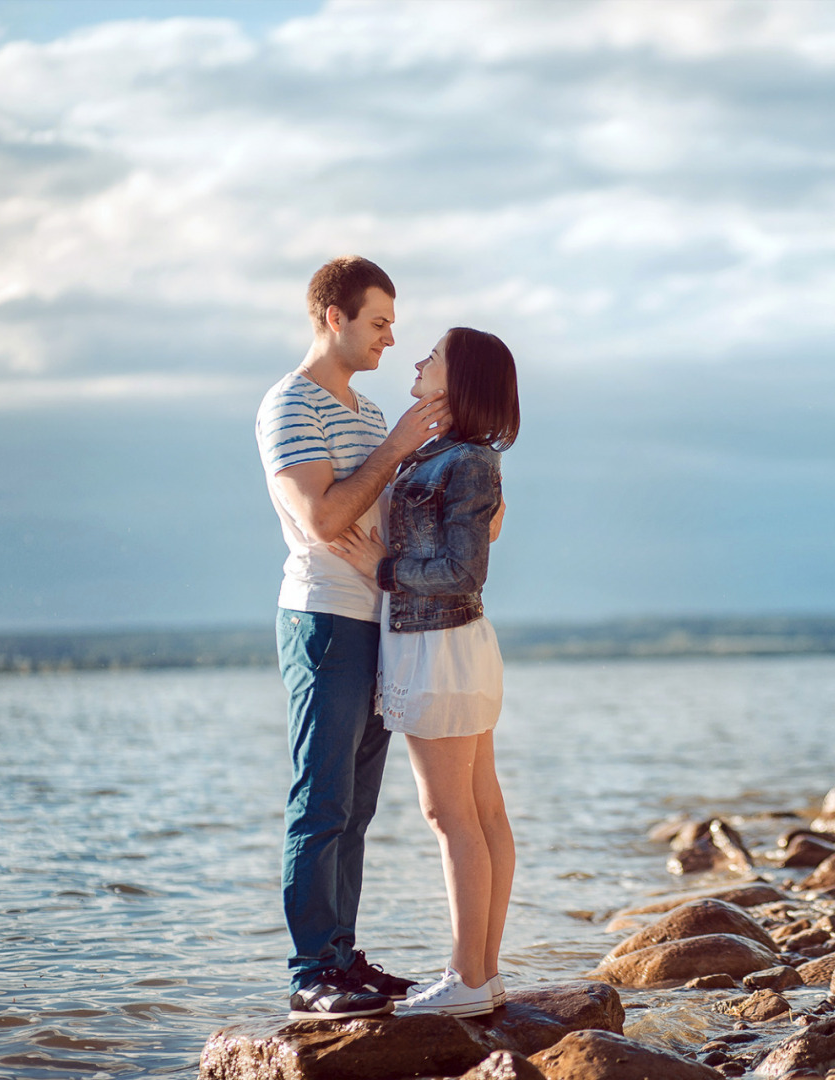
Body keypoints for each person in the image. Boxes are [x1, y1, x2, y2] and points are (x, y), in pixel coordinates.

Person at [254, 256, 451, 1019]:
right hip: (322, 618)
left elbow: (390, 506)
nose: (390, 339)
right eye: (378, 323)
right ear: (333, 318)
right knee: (321, 799)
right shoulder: (288, 406)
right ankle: (310, 973)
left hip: (379, 621)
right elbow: (326, 518)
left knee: (358, 806)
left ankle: (342, 956)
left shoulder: (369, 415)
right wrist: (399, 444)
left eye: (394, 325)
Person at [328, 326, 519, 1017]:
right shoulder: (446, 455)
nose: (415, 360)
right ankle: (483, 975)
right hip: (444, 645)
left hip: (439, 645)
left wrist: (376, 568)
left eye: (431, 357)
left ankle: (467, 977)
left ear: (458, 379)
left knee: (452, 815)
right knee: (481, 811)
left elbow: (463, 570)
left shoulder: (466, 461)